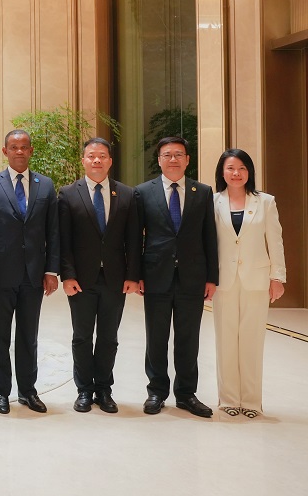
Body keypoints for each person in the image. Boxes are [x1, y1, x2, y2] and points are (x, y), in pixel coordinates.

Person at [0, 129, 59, 414]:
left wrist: (51, 270)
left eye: (24, 147)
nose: (20, 151)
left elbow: (53, 232)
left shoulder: (45, 185)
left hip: (33, 275)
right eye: (14, 147)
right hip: (0, 275)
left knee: (28, 336)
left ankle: (28, 391)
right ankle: (1, 392)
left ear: (31, 151)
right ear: (5, 151)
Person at [135, 136, 217, 418]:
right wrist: (136, 274)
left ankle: (186, 393)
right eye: (167, 155)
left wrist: (212, 277)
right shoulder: (143, 192)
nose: (173, 159)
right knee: (156, 338)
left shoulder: (202, 192)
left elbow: (209, 237)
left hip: (193, 277)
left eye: (179, 154)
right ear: (159, 160)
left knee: (188, 338)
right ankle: (156, 392)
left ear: (187, 159)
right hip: (155, 275)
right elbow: (135, 238)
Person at [58, 137, 141, 414]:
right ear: (83, 160)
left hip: (115, 279)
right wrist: (67, 275)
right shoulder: (68, 194)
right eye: (91, 155)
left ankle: (104, 389)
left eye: (102, 156)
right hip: (81, 280)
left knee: (109, 337)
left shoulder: (127, 194)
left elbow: (133, 240)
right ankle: (84, 390)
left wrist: (132, 275)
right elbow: (64, 241)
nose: (97, 160)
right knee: (82, 336)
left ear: (110, 161)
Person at [212, 148, 286, 418]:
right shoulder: (212, 202)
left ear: (249, 172)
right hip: (223, 281)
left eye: (242, 168)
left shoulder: (265, 202)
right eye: (231, 168)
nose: (236, 173)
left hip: (257, 280)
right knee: (225, 340)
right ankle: (228, 399)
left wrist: (278, 277)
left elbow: (275, 241)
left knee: (252, 340)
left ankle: (252, 402)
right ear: (222, 172)